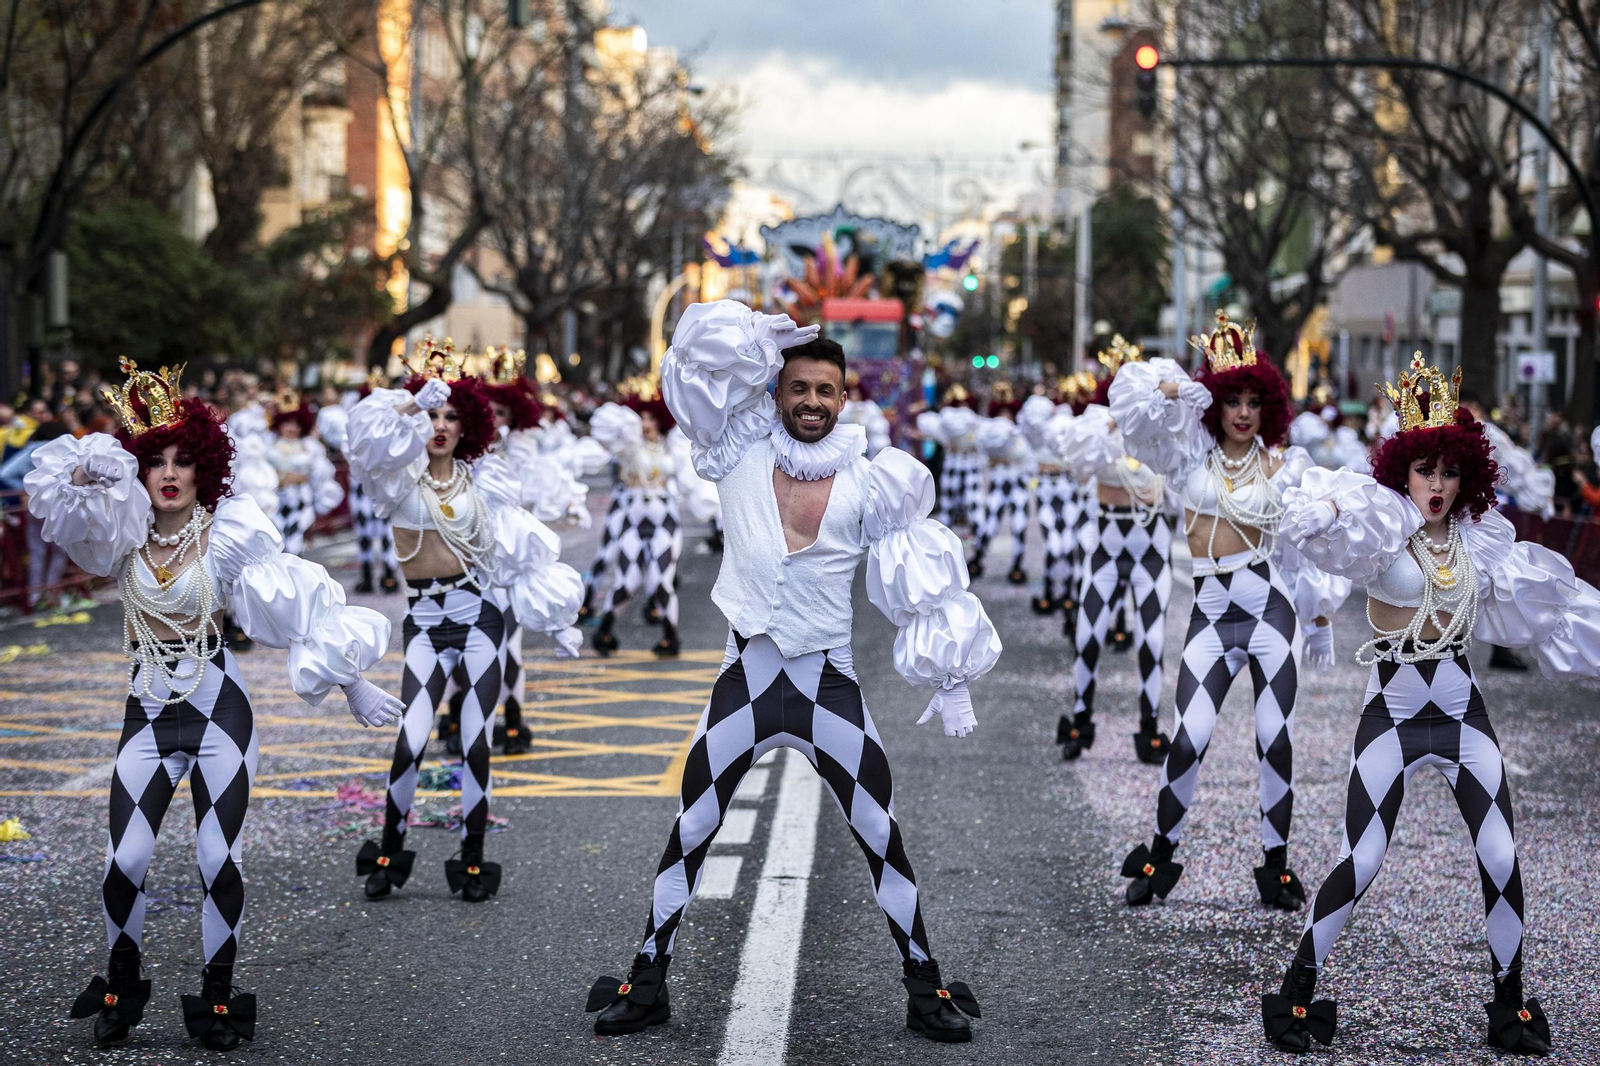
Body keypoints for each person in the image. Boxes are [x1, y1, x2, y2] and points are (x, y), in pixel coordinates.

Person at [585, 301, 1001, 1043]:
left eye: (826, 391)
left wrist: (953, 674)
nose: (812, 402)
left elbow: (925, 578)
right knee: (692, 833)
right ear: (776, 393)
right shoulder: (733, 450)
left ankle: (923, 985)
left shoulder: (876, 483)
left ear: (845, 400)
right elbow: (688, 371)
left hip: (827, 686)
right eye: (799, 388)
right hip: (745, 677)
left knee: (881, 835)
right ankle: (647, 983)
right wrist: (748, 338)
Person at [27, 358, 401, 1052]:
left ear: (205, 468)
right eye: (155, 462)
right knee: (125, 860)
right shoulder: (121, 538)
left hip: (217, 715)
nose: (169, 473)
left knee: (215, 858)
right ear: (139, 474)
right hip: (145, 715)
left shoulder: (228, 537)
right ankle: (120, 981)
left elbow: (301, 603)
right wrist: (84, 479)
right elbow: (62, 510)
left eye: (182, 460)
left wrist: (352, 681)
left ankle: (218, 996)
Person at [1262, 353, 1600, 1055]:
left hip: (1463, 715)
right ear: (1401, 472)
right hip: (1391, 717)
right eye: (1426, 470)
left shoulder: (1480, 542)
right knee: (1362, 862)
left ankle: (1509, 1004)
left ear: (1466, 472)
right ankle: (1299, 992)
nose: (1438, 485)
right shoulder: (1376, 537)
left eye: (1450, 471)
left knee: (1503, 858)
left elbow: (1550, 611)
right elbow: (1308, 526)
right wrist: (1324, 506)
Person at [1108, 312, 1347, 907]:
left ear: (1269, 407)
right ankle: (1160, 859)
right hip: (1209, 613)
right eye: (1231, 399)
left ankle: (1276, 867)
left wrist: (1318, 616)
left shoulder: (1285, 466)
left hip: (1270, 611)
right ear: (1214, 404)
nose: (1243, 412)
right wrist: (1174, 390)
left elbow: (1306, 545)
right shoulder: (1189, 456)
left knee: (1274, 739)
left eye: (1252, 401)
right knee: (1188, 739)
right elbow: (1131, 409)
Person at [344, 340, 583, 904]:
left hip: (478, 618)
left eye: (451, 415)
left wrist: (559, 619)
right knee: (410, 742)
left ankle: (472, 859)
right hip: (424, 621)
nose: (440, 425)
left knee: (476, 743)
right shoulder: (395, 479)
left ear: (468, 424)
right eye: (431, 414)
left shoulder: (484, 481)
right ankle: (388, 849)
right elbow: (361, 436)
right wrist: (406, 406)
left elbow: (522, 551)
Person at [1050, 336, 1176, 765]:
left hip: (1151, 550)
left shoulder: (1160, 428)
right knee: (1087, 638)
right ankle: (1081, 721)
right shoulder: (1096, 424)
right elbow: (1078, 461)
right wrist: (1114, 424)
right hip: (1104, 547)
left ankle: (1150, 728)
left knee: (1151, 642)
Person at [583, 390, 687, 658]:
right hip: (632, 519)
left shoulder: (671, 445)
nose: (646, 422)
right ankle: (604, 631)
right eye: (641, 417)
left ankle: (670, 637)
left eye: (651, 417)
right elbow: (606, 440)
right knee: (626, 583)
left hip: (665, 520)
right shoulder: (628, 447)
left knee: (660, 582)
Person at [967, 383, 1032, 582]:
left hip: (1013, 483)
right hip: (1005, 482)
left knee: (1016, 524)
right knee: (994, 523)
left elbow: (1025, 458)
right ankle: (979, 559)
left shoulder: (1002, 433)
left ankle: (1014, 565)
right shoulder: (998, 433)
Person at [265, 392, 342, 556]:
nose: (291, 428)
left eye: (296, 424)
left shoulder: (310, 446)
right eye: (287, 423)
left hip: (301, 501)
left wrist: (322, 500)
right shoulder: (268, 444)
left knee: (295, 546)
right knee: (277, 545)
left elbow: (320, 476)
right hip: (276, 502)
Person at [917, 385, 983, 528]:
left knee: (972, 500)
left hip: (969, 462)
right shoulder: (947, 420)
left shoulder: (971, 421)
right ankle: (948, 530)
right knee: (950, 498)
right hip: (953, 461)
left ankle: (976, 531)